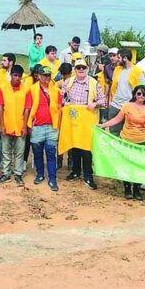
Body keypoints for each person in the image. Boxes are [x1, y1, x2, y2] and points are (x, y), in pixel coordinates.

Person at [98, 84, 145, 200]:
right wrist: (103, 125)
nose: (141, 96)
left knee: (138, 166)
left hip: (142, 141)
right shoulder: (127, 106)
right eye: (139, 93)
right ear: (135, 94)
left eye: (144, 94)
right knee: (126, 165)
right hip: (126, 140)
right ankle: (127, 188)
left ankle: (136, 189)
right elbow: (117, 119)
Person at [61, 58, 104, 190]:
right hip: (73, 120)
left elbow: (103, 100)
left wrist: (95, 103)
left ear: (86, 69)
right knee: (74, 147)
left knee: (86, 149)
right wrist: (65, 102)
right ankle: (75, 171)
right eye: (78, 68)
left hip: (87, 120)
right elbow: (61, 96)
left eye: (83, 68)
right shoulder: (69, 82)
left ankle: (88, 175)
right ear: (75, 69)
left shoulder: (93, 83)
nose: (80, 70)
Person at [25, 66, 63, 191]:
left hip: (51, 127)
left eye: (48, 75)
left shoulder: (56, 91)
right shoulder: (32, 90)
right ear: (39, 76)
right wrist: (27, 125)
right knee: (37, 153)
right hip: (37, 127)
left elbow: (59, 109)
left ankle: (52, 178)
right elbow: (28, 109)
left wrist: (59, 125)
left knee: (51, 154)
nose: (46, 77)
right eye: (44, 75)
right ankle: (40, 174)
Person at [0, 65, 28, 185]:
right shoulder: (2, 88)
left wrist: (25, 126)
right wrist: (2, 125)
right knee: (6, 151)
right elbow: (0, 107)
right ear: (11, 75)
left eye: (19, 76)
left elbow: (27, 109)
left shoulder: (26, 89)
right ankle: (6, 173)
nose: (17, 78)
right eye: (15, 75)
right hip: (7, 124)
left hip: (20, 125)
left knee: (19, 152)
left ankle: (18, 174)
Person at [108, 48, 145, 134]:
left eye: (119, 57)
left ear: (125, 58)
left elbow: (143, 90)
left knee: (128, 132)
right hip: (115, 105)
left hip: (130, 106)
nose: (117, 59)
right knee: (113, 132)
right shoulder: (117, 69)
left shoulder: (138, 71)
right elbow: (114, 86)